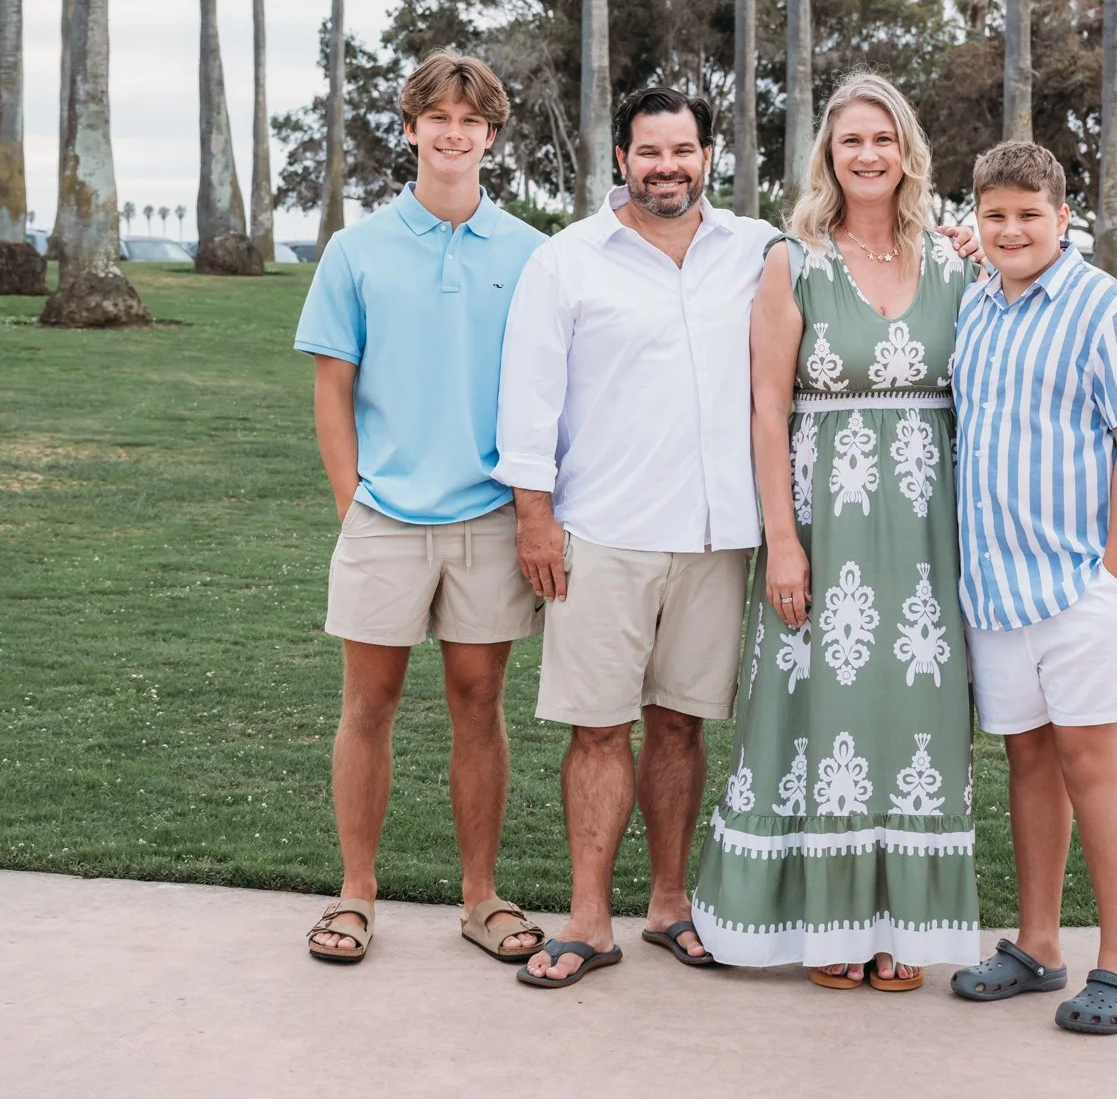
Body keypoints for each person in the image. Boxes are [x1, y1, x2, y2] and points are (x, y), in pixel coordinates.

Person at [692, 73, 979, 989]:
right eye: (851, 140)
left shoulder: (952, 260)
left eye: (883, 140)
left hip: (929, 532)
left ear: (906, 154)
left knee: (914, 716)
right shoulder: (793, 260)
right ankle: (825, 925)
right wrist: (782, 538)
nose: (867, 155)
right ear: (828, 154)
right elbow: (767, 408)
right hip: (821, 519)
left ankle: (897, 924)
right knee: (815, 713)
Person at [496, 87, 773, 987]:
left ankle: (666, 906)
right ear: (621, 157)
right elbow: (528, 401)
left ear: (707, 157)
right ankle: (587, 921)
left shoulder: (756, 252)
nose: (667, 168)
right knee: (597, 731)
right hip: (601, 532)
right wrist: (534, 519)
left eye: (683, 151)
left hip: (712, 535)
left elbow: (863, 260)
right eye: (649, 152)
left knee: (682, 726)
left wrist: (962, 241)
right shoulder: (567, 261)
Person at [296, 52, 548, 968]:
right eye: (436, 117)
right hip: (384, 518)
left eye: (470, 120)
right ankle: (355, 894)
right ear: (410, 130)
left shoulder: (529, 253)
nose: (453, 132)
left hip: (488, 515)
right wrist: (353, 504)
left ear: (490, 136)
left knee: (479, 704)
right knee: (369, 702)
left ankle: (480, 898)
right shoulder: (356, 249)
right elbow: (333, 392)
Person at [949, 141, 1117, 1035]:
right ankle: (1035, 946)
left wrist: (1116, 580)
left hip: (1080, 585)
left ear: (1062, 218)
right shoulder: (975, 309)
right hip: (997, 588)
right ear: (976, 220)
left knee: (1090, 764)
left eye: (1027, 215)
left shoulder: (1102, 309)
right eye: (993, 215)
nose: (1010, 230)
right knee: (1028, 763)